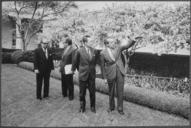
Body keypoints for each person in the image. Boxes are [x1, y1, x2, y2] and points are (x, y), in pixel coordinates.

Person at [100, 36, 136, 115]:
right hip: (110, 73)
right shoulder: (102, 53)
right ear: (107, 44)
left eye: (113, 41)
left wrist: (133, 40)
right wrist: (105, 78)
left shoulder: (118, 48)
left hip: (120, 72)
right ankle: (111, 107)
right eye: (111, 42)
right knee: (111, 92)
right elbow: (102, 66)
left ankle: (120, 108)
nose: (114, 43)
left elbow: (126, 45)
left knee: (120, 91)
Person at [72, 36, 99, 113]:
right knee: (82, 93)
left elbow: (95, 61)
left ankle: (93, 107)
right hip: (83, 75)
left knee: (92, 92)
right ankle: (82, 107)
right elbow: (75, 62)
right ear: (84, 42)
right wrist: (80, 70)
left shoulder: (94, 51)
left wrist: (94, 68)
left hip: (92, 75)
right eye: (90, 41)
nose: (92, 42)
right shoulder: (79, 51)